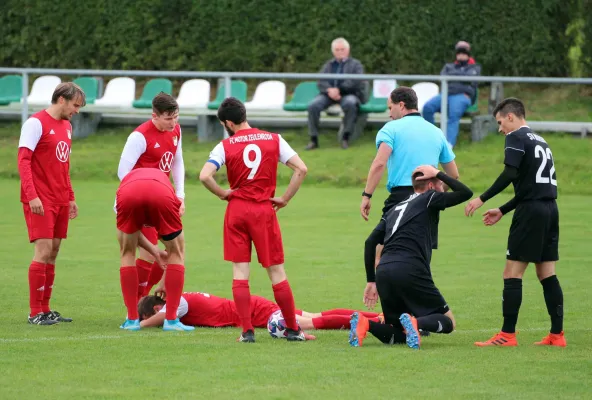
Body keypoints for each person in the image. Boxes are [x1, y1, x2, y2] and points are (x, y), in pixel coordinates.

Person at [199, 97, 308, 343]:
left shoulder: (224, 146)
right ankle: (292, 329)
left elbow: (205, 175)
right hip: (263, 210)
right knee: (276, 272)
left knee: (240, 271)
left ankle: (247, 332)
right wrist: (284, 198)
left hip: (237, 210)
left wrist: (223, 193)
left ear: (228, 122)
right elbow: (301, 169)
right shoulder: (274, 139)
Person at [465, 98, 565, 347]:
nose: (500, 129)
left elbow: (510, 174)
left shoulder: (516, 138)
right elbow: (531, 186)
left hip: (531, 213)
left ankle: (507, 335)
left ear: (511, 117)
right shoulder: (541, 140)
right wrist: (503, 209)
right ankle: (557, 335)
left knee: (512, 272)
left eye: (500, 122)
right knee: (547, 273)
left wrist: (482, 198)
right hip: (550, 209)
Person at [350, 165, 473, 349]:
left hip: (384, 271)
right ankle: (417, 322)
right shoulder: (430, 197)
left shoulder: (394, 209)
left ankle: (365, 323)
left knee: (399, 333)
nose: (443, 189)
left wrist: (371, 281)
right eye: (440, 185)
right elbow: (466, 193)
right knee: (448, 323)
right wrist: (439, 173)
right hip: (410, 268)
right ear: (431, 186)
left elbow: (370, 242)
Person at [360, 87, 458, 313]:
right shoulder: (435, 131)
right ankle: (418, 315)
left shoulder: (391, 129)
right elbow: (454, 174)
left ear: (401, 105)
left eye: (390, 107)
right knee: (420, 257)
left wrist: (367, 195)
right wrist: (438, 180)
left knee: (383, 253)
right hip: (429, 198)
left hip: (401, 197)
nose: (389, 113)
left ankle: (392, 315)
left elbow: (379, 163)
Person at [17, 82, 86, 325]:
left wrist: (71, 196)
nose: (77, 111)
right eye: (75, 105)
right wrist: (32, 195)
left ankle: (45, 309)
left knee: (54, 252)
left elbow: (63, 164)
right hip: (40, 198)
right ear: (61, 100)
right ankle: (34, 312)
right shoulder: (35, 123)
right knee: (43, 250)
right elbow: (23, 161)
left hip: (59, 198)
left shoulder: (67, 126)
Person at [117, 92, 185, 303]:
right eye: (168, 118)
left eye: (176, 117)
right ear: (154, 116)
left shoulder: (176, 131)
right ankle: (138, 304)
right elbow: (123, 172)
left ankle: (144, 300)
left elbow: (177, 161)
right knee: (147, 254)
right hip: (140, 202)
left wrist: (180, 194)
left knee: (175, 250)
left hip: (163, 200)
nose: (173, 122)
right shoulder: (139, 136)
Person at [115, 168, 192, 332]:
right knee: (177, 250)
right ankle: (171, 320)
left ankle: (131, 319)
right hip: (161, 192)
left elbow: (132, 235)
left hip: (128, 193)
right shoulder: (164, 183)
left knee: (127, 252)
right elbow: (175, 252)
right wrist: (158, 254)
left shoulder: (126, 183)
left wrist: (154, 252)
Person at [138, 292, 381, 333]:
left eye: (150, 316)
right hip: (251, 306)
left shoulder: (176, 304)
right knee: (315, 314)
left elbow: (150, 323)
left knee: (310, 322)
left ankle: (374, 322)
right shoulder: (179, 299)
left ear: (156, 309)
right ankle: (378, 317)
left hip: (252, 311)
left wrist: (137, 324)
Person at [306, 37, 367, 150]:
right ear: (333, 51)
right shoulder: (328, 65)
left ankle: (345, 138)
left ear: (348, 50)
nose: (340, 52)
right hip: (328, 94)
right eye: (337, 49)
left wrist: (339, 89)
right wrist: (329, 90)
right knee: (313, 105)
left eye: (342, 49)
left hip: (348, 94)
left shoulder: (356, 65)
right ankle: (313, 139)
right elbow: (320, 81)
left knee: (350, 103)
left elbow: (356, 81)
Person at [422, 41, 482, 147]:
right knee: (427, 108)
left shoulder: (475, 67)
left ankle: (448, 145)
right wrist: (462, 77)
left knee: (453, 114)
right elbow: (443, 77)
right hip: (446, 94)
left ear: (468, 54)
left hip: (462, 95)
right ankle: (432, 139)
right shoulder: (448, 66)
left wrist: (453, 77)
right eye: (459, 52)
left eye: (464, 52)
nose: (461, 54)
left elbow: (470, 78)